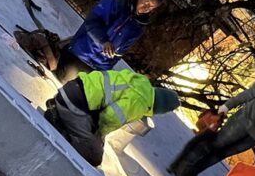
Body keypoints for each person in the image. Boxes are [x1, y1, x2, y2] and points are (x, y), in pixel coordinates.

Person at [45, 69, 179, 166]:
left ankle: (60, 108)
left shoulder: (139, 82)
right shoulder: (141, 103)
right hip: (77, 105)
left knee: (91, 130)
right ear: (160, 108)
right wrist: (100, 136)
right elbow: (109, 117)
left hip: (71, 90)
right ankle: (57, 119)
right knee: (94, 156)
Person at [56, 0, 165, 81]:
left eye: (151, 7)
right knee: (66, 78)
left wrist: (106, 67)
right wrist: (103, 41)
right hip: (81, 53)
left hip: (98, 68)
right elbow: (92, 21)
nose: (147, 8)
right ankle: (61, 51)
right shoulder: (116, 0)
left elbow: (122, 51)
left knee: (87, 94)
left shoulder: (139, 26)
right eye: (146, 2)